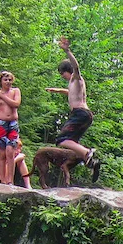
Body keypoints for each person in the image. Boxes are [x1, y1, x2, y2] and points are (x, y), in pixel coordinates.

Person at [47, 36, 95, 165]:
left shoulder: (76, 78)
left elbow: (76, 67)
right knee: (71, 140)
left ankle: (87, 153)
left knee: (61, 139)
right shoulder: (73, 84)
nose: (62, 77)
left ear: (67, 71)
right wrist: (57, 90)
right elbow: (71, 93)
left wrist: (67, 51)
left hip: (80, 113)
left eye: (62, 74)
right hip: (84, 114)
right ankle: (90, 161)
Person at [0, 70, 22, 186]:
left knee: (10, 151)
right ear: (1, 81)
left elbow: (16, 104)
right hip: (0, 124)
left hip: (12, 123)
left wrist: (3, 96)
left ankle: (10, 181)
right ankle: (2, 180)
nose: (8, 82)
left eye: (10, 80)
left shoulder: (15, 91)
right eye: (5, 80)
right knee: (2, 154)